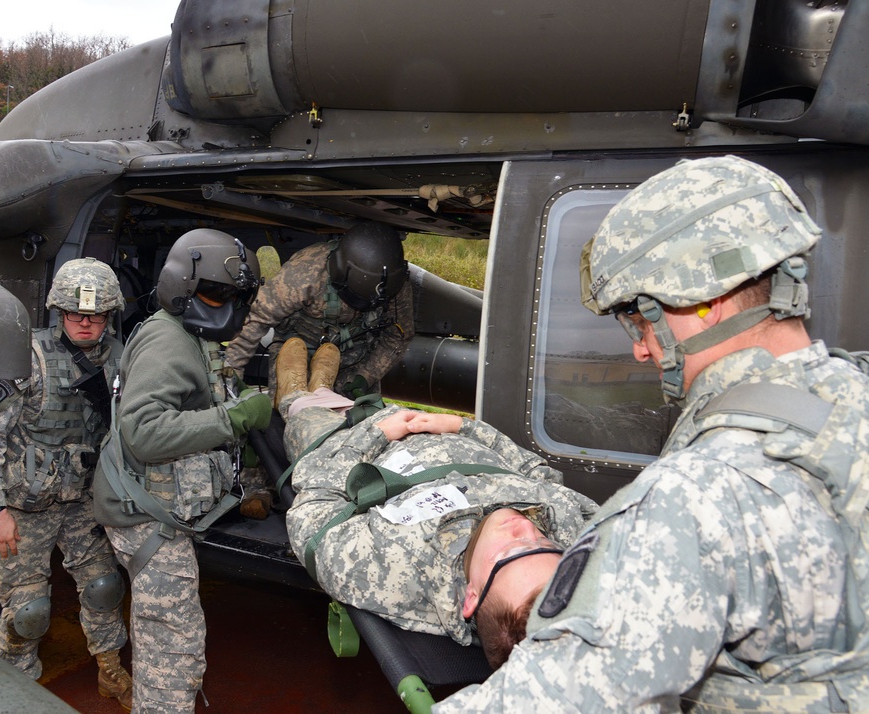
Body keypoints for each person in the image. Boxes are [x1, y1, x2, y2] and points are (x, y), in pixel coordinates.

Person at [436, 155, 869, 712]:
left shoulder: (695, 502)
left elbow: (551, 698)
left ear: (704, 303)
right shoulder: (849, 396)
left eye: (642, 319)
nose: (641, 348)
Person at [275, 337, 597, 666]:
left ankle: (296, 393)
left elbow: (314, 510)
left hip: (345, 445)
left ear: (471, 597)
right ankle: (324, 388)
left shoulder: (390, 571)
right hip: (420, 425)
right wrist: (463, 427)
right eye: (546, 544)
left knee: (307, 413)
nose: (525, 529)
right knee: (344, 399)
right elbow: (538, 473)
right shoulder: (576, 534)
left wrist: (375, 435)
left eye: (511, 552)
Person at [93, 229, 272, 714]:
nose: (224, 306)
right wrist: (229, 420)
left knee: (173, 639)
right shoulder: (168, 342)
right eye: (215, 292)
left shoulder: (189, 335)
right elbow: (144, 433)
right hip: (148, 517)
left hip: (158, 509)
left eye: (233, 296)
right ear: (181, 286)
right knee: (174, 648)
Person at [0, 257, 132, 708]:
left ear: (108, 316)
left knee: (104, 588)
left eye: (95, 315)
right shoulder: (30, 357)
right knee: (29, 612)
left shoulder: (120, 360)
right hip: (24, 507)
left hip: (85, 504)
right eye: (76, 313)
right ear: (59, 312)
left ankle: (111, 672)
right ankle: (2, 689)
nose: (85, 322)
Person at [225, 221, 415, 405]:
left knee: (356, 422)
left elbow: (398, 336)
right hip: (294, 358)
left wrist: (366, 375)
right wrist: (230, 382)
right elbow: (255, 321)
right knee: (292, 415)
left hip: (355, 363)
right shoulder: (304, 274)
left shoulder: (391, 284)